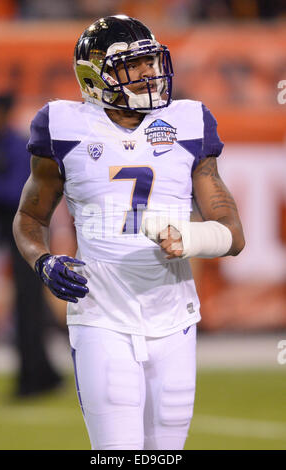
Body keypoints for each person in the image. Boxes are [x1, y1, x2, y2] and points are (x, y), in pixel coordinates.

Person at [13, 15, 245, 449]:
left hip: (174, 318)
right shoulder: (63, 126)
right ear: (94, 76)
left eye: (151, 61)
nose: (148, 73)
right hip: (101, 314)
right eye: (131, 65)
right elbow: (30, 218)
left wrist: (190, 238)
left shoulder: (189, 121)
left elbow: (233, 233)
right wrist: (43, 261)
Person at [0, 93, 63, 397]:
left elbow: (19, 195)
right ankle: (42, 374)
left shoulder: (18, 146)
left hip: (29, 237)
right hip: (7, 236)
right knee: (27, 307)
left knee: (28, 308)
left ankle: (33, 378)